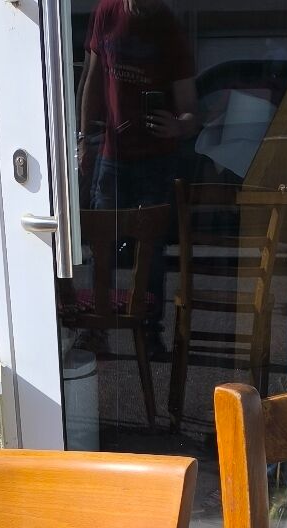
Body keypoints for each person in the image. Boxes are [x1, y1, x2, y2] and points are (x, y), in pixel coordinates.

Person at [77, 0, 198, 353]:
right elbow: (93, 77)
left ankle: (149, 330)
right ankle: (96, 327)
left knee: (153, 249)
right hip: (112, 153)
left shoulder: (169, 28)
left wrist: (178, 125)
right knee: (102, 244)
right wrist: (84, 138)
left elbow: (192, 111)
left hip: (155, 159)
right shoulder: (108, 12)